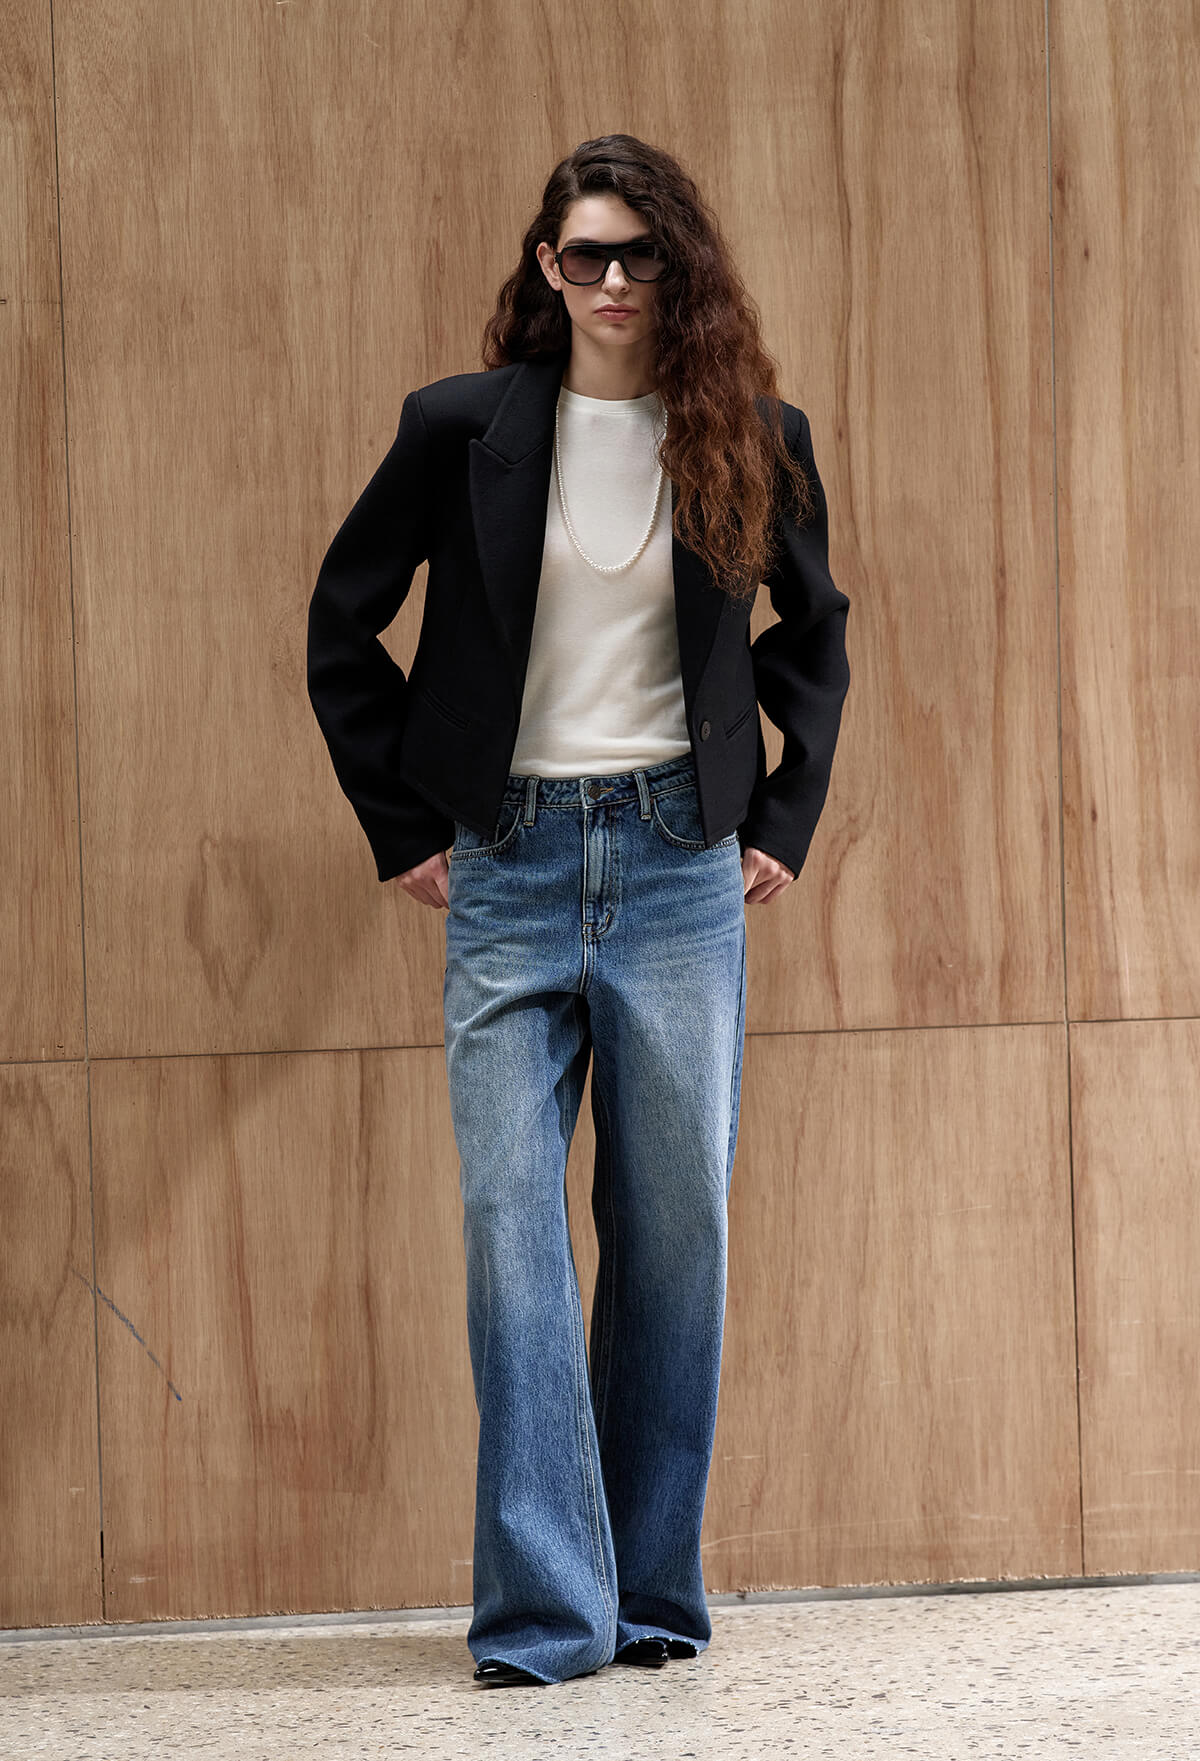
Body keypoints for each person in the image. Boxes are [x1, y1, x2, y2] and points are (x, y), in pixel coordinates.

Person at [306, 133, 850, 1688]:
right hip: (513, 860)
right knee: (511, 1229)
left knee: (675, 1239)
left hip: (679, 867)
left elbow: (816, 633)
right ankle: (546, 1615)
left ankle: (651, 1595)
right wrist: (406, 824)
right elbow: (342, 624)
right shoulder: (459, 429)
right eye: (584, 254)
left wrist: (780, 815)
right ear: (547, 268)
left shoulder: (749, 434)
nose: (611, 280)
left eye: (638, 254)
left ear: (678, 268)